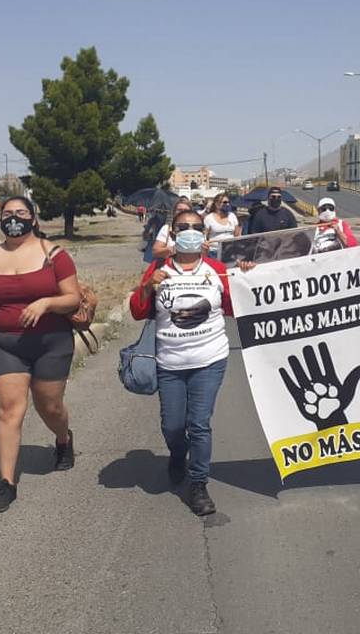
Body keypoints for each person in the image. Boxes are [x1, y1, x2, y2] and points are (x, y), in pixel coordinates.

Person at [0, 196, 82, 513]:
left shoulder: (55, 256)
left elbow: (73, 299)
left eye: (21, 213)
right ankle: (7, 484)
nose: (14, 219)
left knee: (49, 406)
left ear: (33, 218)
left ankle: (63, 438)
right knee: (9, 410)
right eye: (7, 214)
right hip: (4, 343)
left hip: (50, 342)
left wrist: (46, 303)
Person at [129, 209, 234, 517]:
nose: (190, 231)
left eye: (197, 227)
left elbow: (236, 306)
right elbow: (137, 311)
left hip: (210, 360)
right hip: (170, 363)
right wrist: (148, 287)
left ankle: (198, 484)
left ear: (205, 234)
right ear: (172, 233)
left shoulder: (216, 269)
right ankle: (177, 454)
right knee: (173, 426)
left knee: (199, 424)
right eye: (183, 227)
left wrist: (246, 275)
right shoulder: (158, 268)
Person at [204, 192, 241, 259]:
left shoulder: (232, 216)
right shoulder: (209, 218)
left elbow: (237, 234)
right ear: (216, 204)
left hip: (230, 251)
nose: (227, 204)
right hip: (214, 252)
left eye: (228, 202)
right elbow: (204, 236)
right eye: (225, 202)